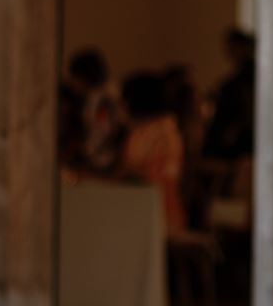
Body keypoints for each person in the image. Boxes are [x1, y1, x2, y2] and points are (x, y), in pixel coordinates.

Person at [120, 71, 187, 233]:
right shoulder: (164, 129)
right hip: (152, 209)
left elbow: (141, 176)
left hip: (154, 215)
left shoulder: (157, 133)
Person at [62, 47, 126, 176]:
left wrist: (85, 151)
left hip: (102, 161)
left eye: (74, 77)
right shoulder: (97, 98)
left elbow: (103, 130)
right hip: (98, 159)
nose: (72, 82)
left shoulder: (101, 101)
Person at [203, 28, 256, 160]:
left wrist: (235, 129)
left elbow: (245, 106)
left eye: (232, 47)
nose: (228, 52)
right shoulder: (238, 78)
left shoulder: (248, 77)